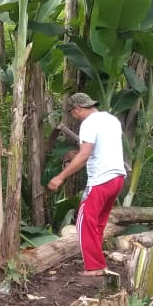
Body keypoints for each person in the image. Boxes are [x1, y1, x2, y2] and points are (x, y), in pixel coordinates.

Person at [46, 93, 127, 277]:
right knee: (98, 222)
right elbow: (102, 146)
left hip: (101, 179)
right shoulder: (111, 119)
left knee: (84, 222)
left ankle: (95, 266)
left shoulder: (89, 124)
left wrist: (60, 177)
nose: (73, 116)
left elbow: (85, 155)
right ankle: (98, 262)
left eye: (72, 113)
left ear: (78, 109)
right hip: (117, 177)